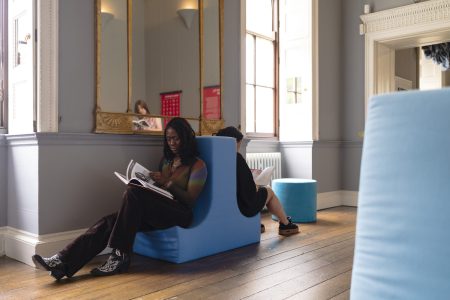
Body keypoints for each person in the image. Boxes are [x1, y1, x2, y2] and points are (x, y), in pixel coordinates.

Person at [32, 117, 207, 279]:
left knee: (133, 192)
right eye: (168, 139)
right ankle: (62, 262)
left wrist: (168, 183)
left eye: (176, 138)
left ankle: (120, 256)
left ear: (185, 137)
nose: (172, 143)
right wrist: (150, 183)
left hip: (181, 214)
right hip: (159, 210)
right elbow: (160, 192)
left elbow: (190, 200)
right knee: (109, 221)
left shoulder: (198, 165)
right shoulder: (167, 161)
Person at [215, 126, 299, 236]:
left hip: (225, 204)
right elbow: (248, 192)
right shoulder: (236, 159)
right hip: (242, 207)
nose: (239, 147)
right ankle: (285, 224)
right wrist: (256, 182)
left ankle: (257, 223)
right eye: (239, 143)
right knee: (268, 190)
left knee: (260, 191)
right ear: (234, 142)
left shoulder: (217, 158)